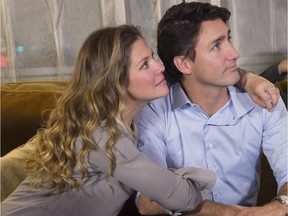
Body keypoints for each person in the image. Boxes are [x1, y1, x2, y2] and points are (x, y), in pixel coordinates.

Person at [1, 25, 217, 216]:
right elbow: (182, 198)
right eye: (145, 64)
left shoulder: (130, 117)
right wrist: (175, 176)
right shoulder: (103, 136)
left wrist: (247, 79)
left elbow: (204, 75)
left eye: (153, 57)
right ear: (116, 83)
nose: (159, 67)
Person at [136, 2, 287, 216]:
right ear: (184, 64)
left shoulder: (264, 99)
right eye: (217, 46)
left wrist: (282, 204)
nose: (234, 53)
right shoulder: (154, 111)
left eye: (229, 39)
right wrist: (229, 213)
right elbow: (148, 201)